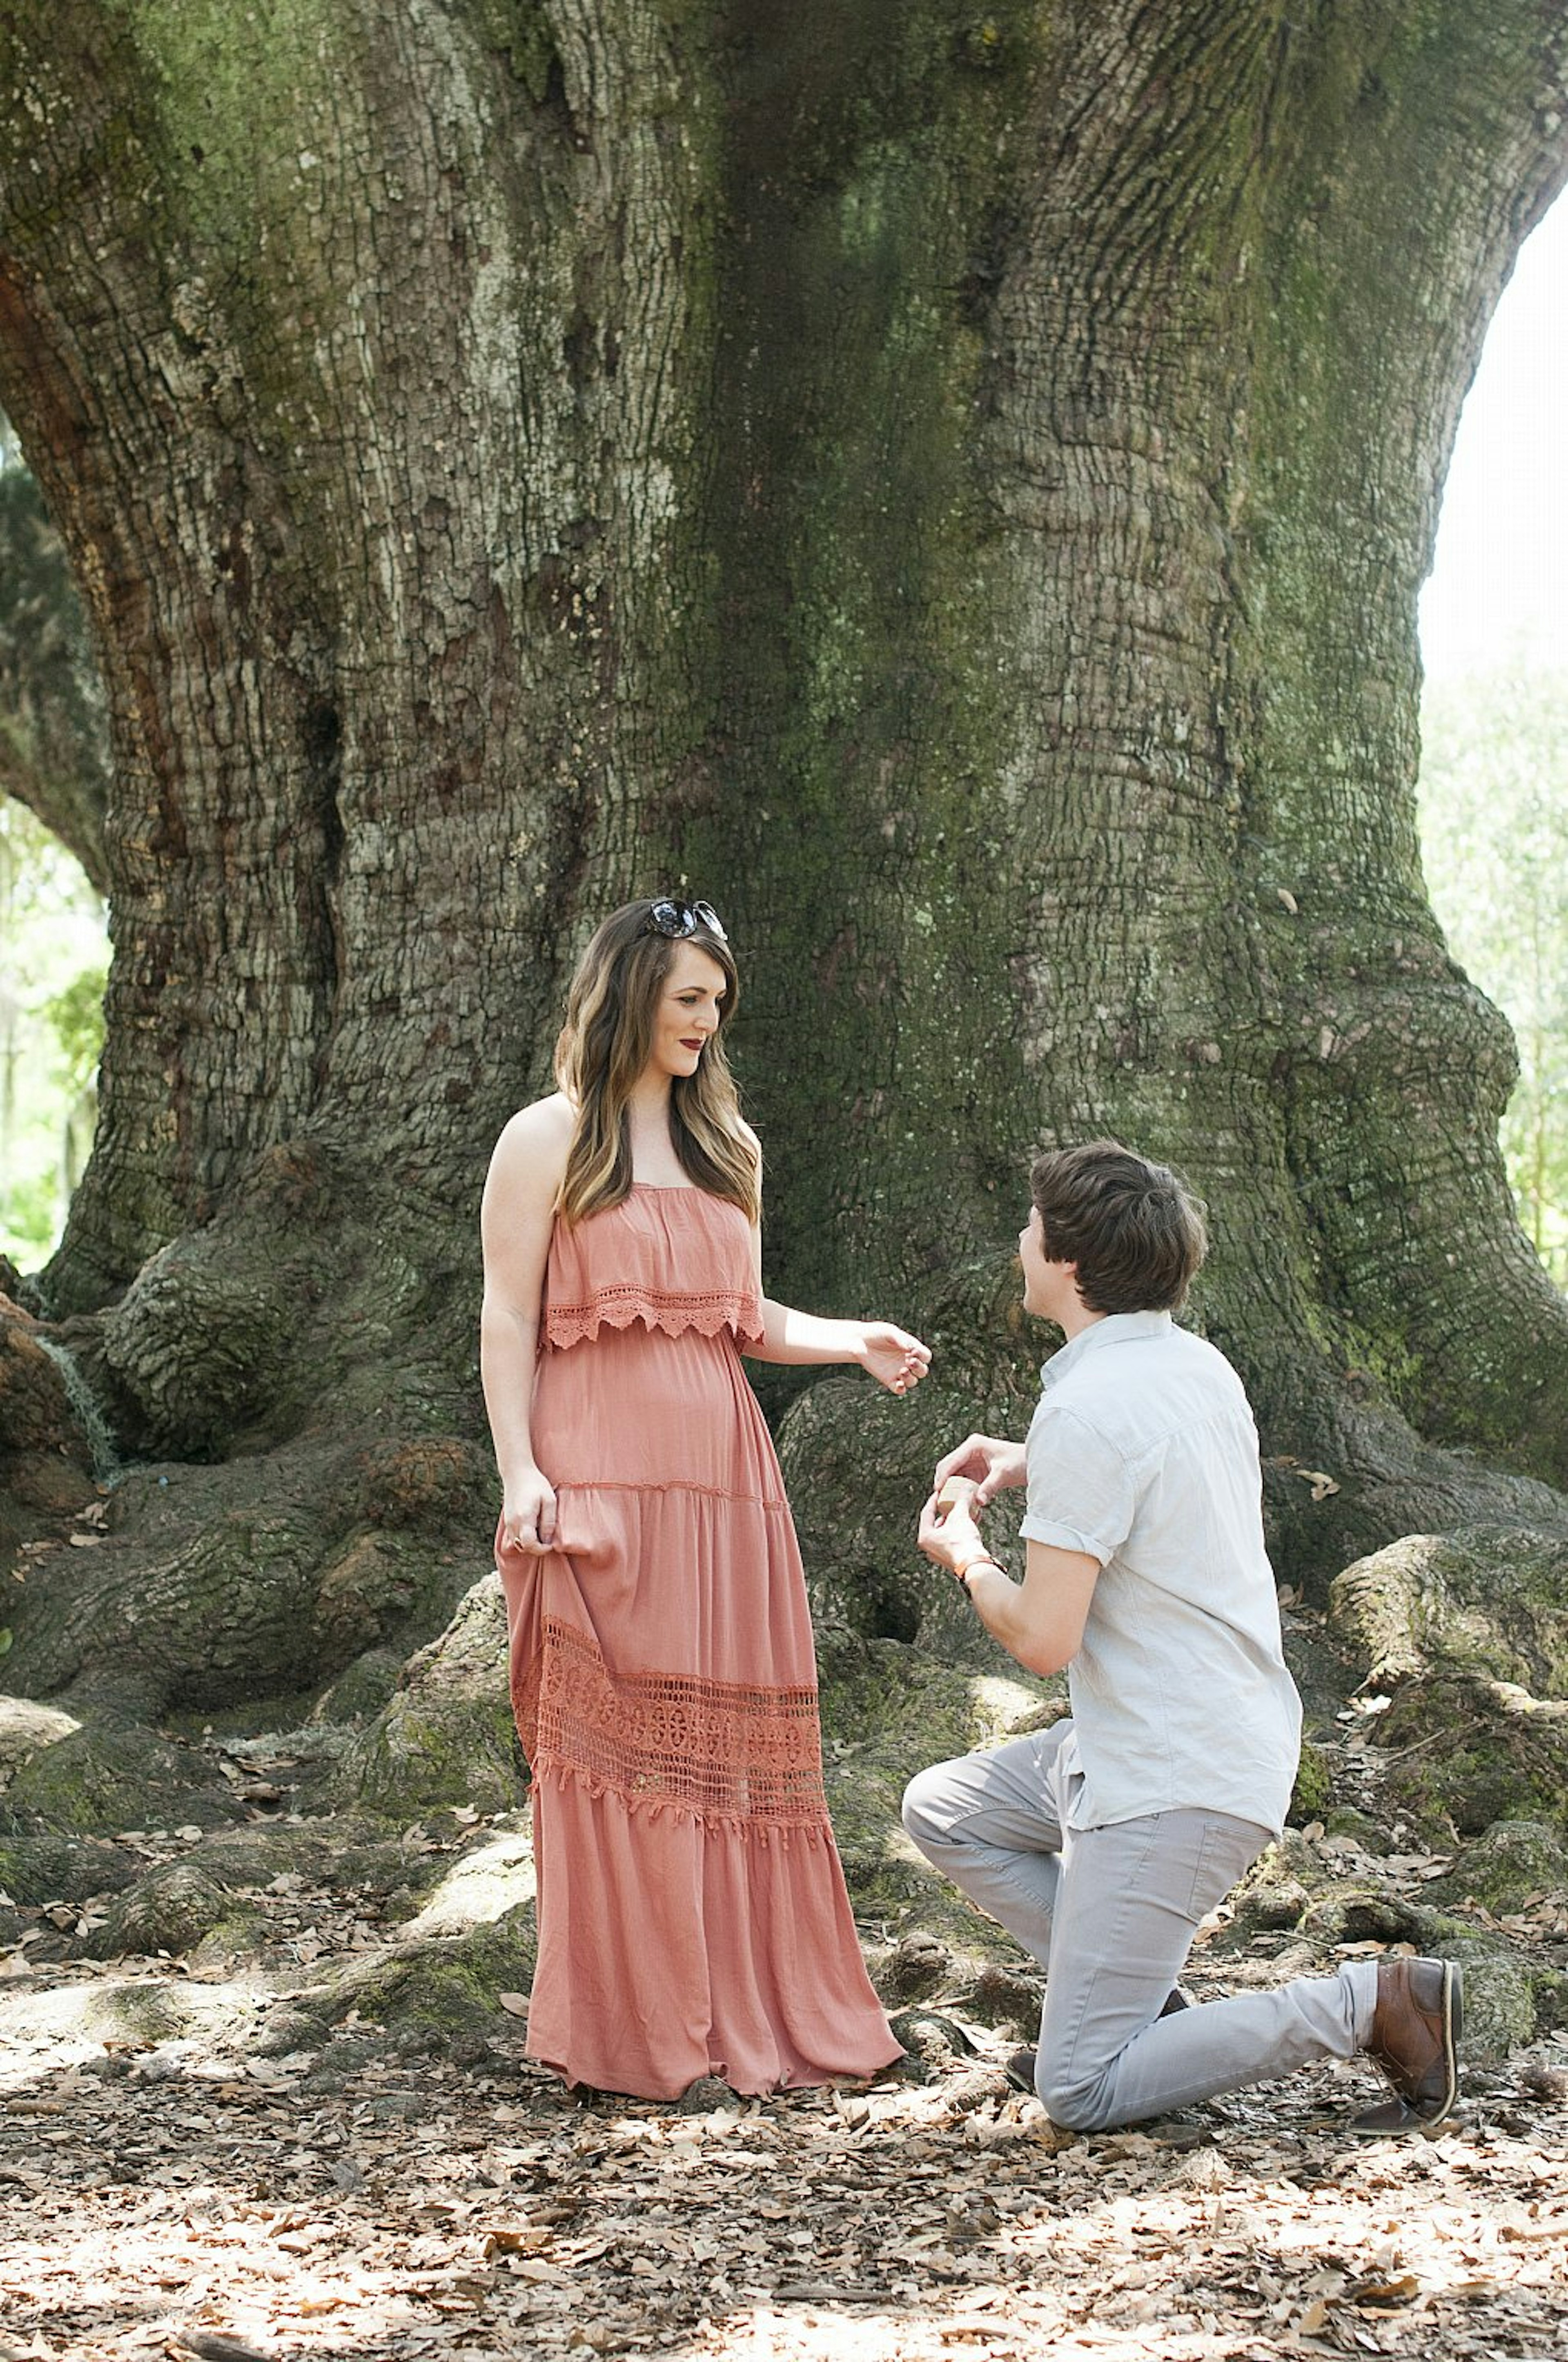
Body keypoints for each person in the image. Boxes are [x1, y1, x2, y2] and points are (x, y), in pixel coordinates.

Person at [904, 1140, 1462, 2137]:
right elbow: (1146, 1475)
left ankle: (1372, 2005)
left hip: (1174, 1776)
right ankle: (1141, 2024)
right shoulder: (1191, 1364)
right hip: (1181, 1737)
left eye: (1032, 1229)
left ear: (1070, 1263)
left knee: (1079, 2092)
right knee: (945, 1811)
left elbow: (1041, 1640)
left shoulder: (1088, 1405)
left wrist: (966, 1557)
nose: (1020, 1241)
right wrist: (1030, 1462)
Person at [481, 895, 927, 2102]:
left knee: (727, 1755)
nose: (707, 1021)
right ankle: (635, 2029)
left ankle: (742, 2012)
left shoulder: (728, 1141)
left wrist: (851, 1342)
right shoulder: (546, 1140)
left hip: (728, 1489)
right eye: (689, 998)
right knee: (612, 1748)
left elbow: (744, 1318)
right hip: (597, 1475)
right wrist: (523, 1472)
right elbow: (508, 1317)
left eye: (718, 1003)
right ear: (630, 992)